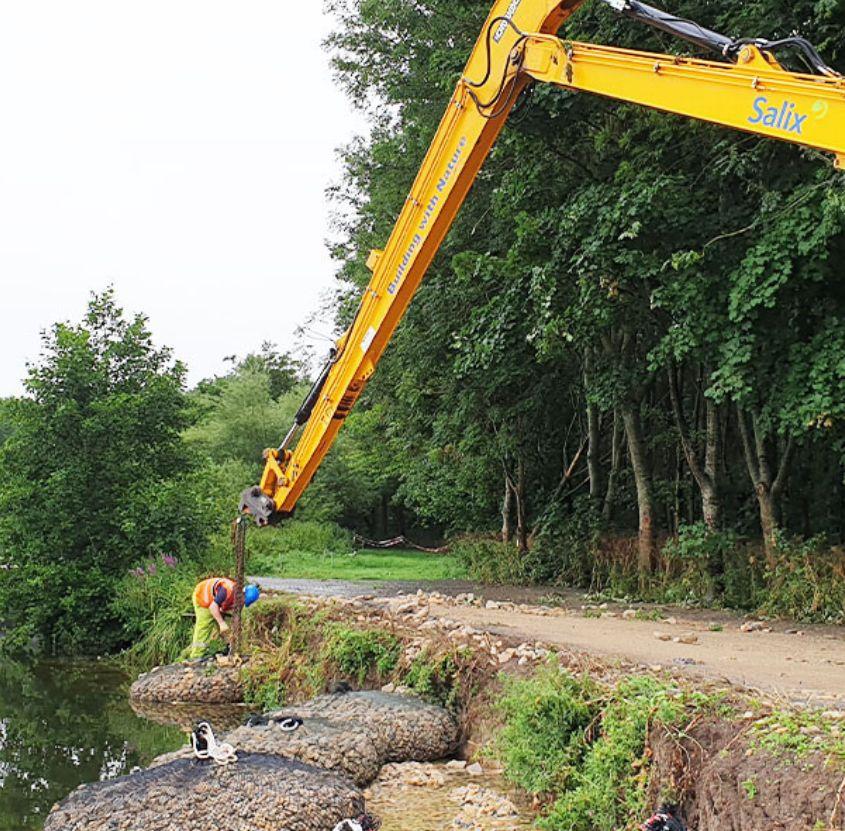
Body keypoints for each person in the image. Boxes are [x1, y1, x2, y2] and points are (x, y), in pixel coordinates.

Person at [185, 577, 260, 660]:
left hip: (215, 601)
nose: (242, 602)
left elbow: (228, 610)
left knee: (225, 624)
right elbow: (213, 607)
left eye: (244, 602)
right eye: (243, 600)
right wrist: (221, 623)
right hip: (202, 596)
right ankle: (196, 656)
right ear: (242, 593)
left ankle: (229, 648)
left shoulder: (239, 597)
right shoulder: (226, 590)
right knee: (204, 626)